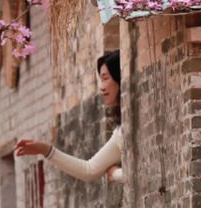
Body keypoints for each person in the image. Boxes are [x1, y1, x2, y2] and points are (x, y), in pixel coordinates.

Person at [14, 50, 123, 183]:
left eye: (106, 79)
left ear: (120, 76)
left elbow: (146, 167)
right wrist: (45, 150)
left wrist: (116, 174)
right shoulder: (120, 131)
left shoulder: (129, 125)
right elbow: (89, 170)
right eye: (101, 80)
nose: (101, 87)